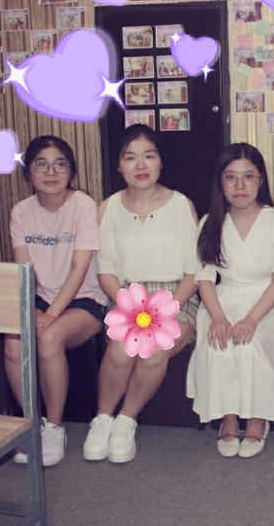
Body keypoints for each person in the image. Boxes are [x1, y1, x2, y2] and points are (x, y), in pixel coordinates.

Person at [83, 125, 200, 463]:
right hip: (127, 296)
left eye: (149, 156)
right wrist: (129, 305)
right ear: (119, 165)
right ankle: (102, 419)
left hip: (176, 297)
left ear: (160, 161)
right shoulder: (107, 209)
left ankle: (126, 420)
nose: (140, 165)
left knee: (153, 349)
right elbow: (106, 272)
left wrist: (167, 308)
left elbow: (194, 273)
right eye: (130, 157)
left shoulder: (181, 205)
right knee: (121, 350)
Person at [187, 144, 274, 458]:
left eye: (248, 176)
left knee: (251, 342)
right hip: (222, 300)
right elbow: (204, 278)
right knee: (220, 342)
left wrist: (251, 319)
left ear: (260, 179)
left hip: (268, 302)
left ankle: (258, 418)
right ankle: (228, 416)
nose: (240, 186)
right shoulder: (210, 222)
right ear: (220, 182)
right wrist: (218, 317)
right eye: (231, 177)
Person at [7, 136, 108, 467]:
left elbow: (79, 269)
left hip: (83, 299)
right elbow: (24, 270)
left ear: (71, 171)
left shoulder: (83, 206)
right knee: (13, 341)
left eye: (59, 164)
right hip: (40, 297)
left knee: (49, 338)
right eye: (41, 164)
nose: (50, 172)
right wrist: (32, 309)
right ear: (28, 172)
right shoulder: (21, 212)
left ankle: (54, 427)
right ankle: (31, 425)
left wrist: (50, 314)